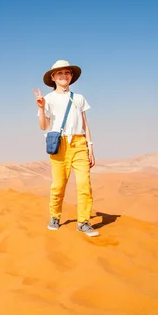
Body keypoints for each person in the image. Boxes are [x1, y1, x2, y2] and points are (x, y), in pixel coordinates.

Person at [32, 60, 99, 237]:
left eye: (67, 73)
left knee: (85, 184)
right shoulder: (47, 99)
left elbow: (85, 124)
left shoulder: (79, 98)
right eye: (60, 73)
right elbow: (43, 125)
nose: (64, 76)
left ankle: (83, 222)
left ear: (71, 77)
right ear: (53, 77)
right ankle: (55, 216)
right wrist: (40, 108)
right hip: (59, 144)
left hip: (79, 144)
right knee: (58, 185)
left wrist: (90, 146)